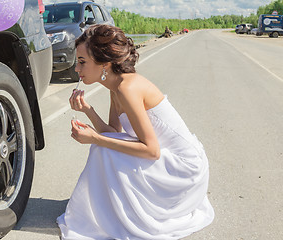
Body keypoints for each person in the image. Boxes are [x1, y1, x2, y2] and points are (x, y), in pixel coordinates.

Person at [57, 24, 214, 240]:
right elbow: (113, 132)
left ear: (104, 63)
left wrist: (95, 138)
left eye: (82, 62)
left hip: (184, 168)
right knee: (102, 145)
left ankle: (112, 215)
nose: (77, 68)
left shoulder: (127, 87)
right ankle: (110, 212)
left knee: (101, 147)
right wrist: (87, 110)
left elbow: (151, 150)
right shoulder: (116, 86)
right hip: (167, 160)